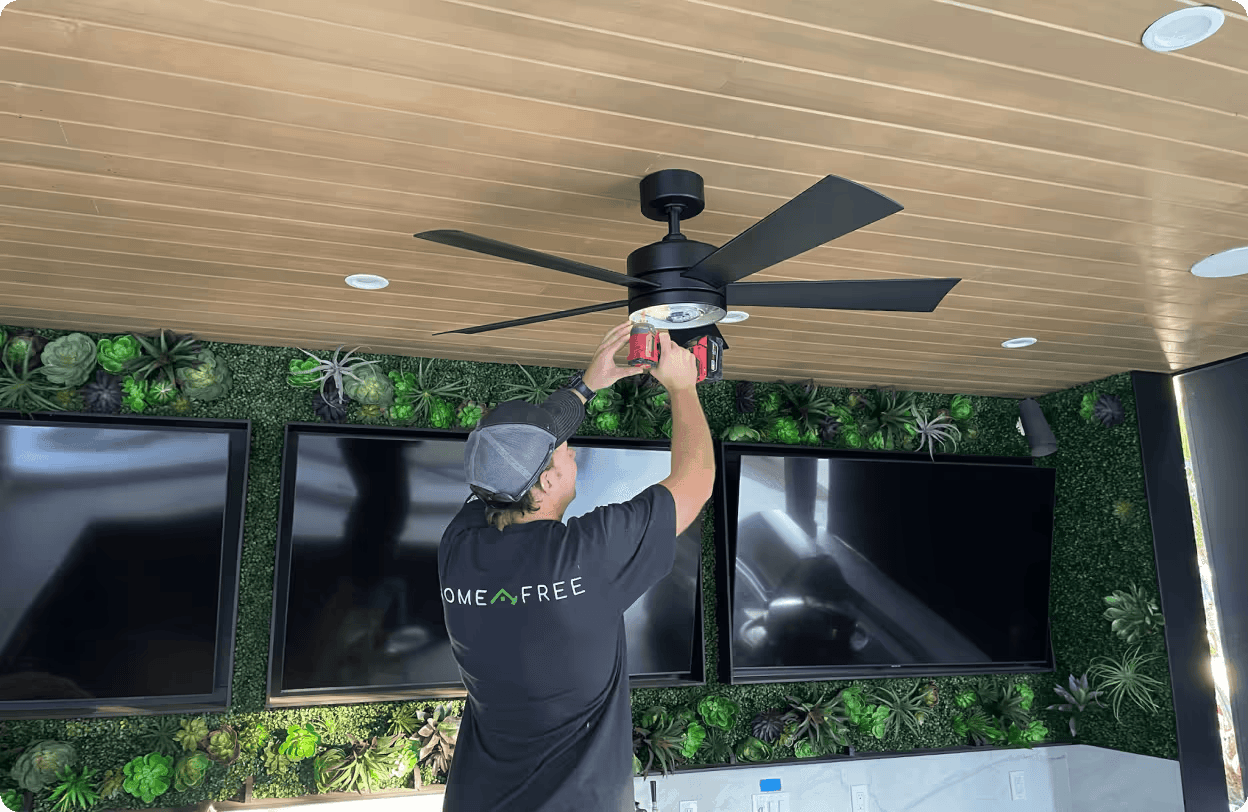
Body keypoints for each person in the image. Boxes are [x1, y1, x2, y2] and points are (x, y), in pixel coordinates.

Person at [437, 321, 716, 812]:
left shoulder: (460, 549)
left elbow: (505, 462)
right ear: (546, 483)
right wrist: (682, 386)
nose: (573, 453)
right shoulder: (586, 554)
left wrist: (586, 386)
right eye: (566, 450)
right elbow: (695, 482)